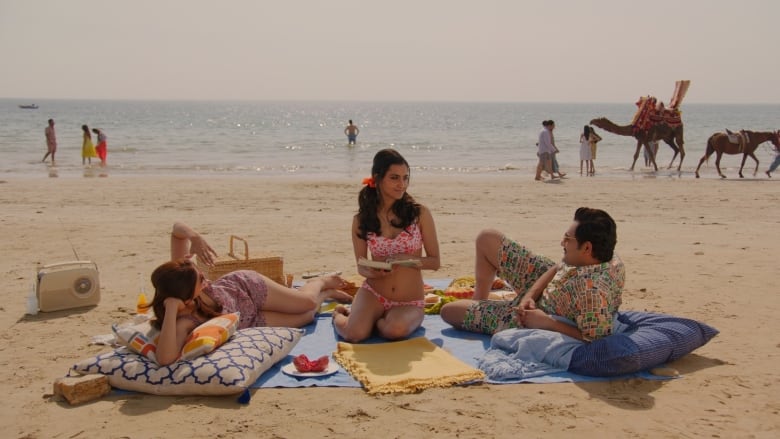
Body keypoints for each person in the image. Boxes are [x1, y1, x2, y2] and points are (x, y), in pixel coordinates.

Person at [147, 222, 352, 365]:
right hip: (250, 320)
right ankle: (326, 295)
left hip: (246, 287)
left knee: (307, 302)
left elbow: (177, 230)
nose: (206, 278)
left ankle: (319, 282)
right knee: (307, 317)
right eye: (201, 280)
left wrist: (195, 237)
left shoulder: (179, 275)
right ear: (186, 297)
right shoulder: (183, 320)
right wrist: (172, 308)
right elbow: (165, 359)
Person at [440, 207, 624, 341]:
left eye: (568, 239)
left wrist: (547, 323)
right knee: (486, 237)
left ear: (586, 247)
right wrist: (529, 295)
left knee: (449, 311)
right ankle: (479, 300)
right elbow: (559, 267)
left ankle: (482, 308)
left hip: (534, 315)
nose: (562, 243)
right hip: (544, 283)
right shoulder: (604, 257)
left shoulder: (591, 293)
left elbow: (595, 340)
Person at [333, 148, 440, 342]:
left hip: (409, 300)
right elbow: (361, 264)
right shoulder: (362, 219)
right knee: (354, 335)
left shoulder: (419, 214)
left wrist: (407, 259)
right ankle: (338, 315)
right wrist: (370, 272)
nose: (402, 184)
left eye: (405, 178)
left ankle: (375, 321)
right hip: (374, 293)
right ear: (378, 178)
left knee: (394, 331)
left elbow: (435, 262)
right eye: (394, 178)